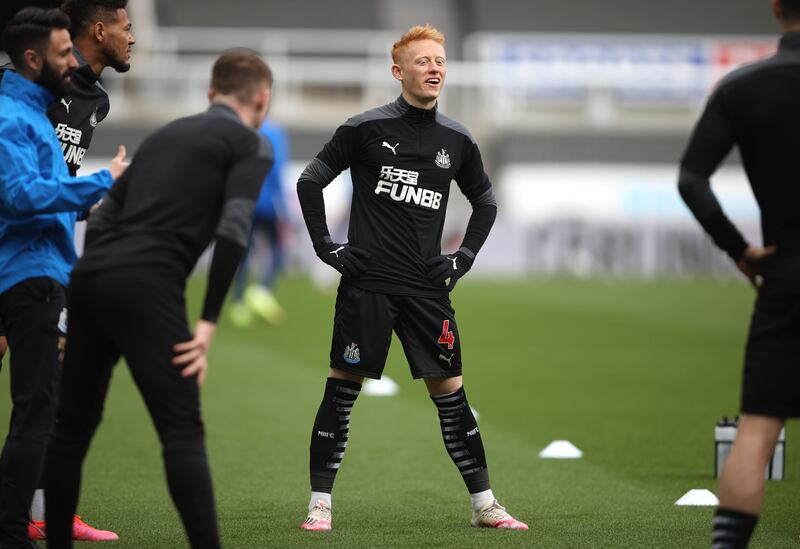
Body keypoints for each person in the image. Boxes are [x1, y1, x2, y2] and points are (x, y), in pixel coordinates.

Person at [295, 24, 528, 532]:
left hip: (427, 289)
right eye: (423, 61)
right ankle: (320, 504)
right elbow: (309, 181)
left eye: (440, 61)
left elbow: (486, 203)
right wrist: (326, 248)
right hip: (368, 286)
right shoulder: (364, 128)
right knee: (341, 392)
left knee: (453, 398)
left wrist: (462, 258)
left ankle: (485, 505)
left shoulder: (457, 139)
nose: (435, 68)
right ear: (398, 71)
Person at [43, 48, 274, 549]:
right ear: (263, 97)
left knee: (71, 428)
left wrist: (92, 284)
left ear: (211, 93)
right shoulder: (250, 143)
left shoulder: (164, 134)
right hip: (147, 285)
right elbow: (235, 228)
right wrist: (209, 322)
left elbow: (102, 218)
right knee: (181, 432)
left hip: (90, 277)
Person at [0, 1, 135, 541]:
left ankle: (38, 514)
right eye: (128, 27)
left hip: (45, 256)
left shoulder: (92, 101)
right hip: (20, 259)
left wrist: (103, 200)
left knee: (44, 398)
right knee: (43, 402)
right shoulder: (23, 98)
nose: (133, 39)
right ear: (98, 30)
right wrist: (101, 184)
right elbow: (21, 190)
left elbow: (56, 187)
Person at [678, 1, 800, 547]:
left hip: (787, 274)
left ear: (776, 8)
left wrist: (741, 251)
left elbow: (692, 180)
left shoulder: (743, 87)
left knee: (756, 427)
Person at [230, 117, 290, 327]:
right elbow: (277, 171)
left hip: (243, 202)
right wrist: (284, 209)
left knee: (242, 253)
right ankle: (262, 290)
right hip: (266, 203)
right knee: (278, 250)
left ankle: (238, 304)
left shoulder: (239, 129)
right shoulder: (275, 133)